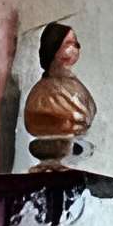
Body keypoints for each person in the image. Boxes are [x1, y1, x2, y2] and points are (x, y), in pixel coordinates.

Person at [25, 19, 97, 164]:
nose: (75, 48)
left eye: (76, 44)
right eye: (68, 43)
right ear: (53, 47)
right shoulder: (42, 93)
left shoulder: (78, 87)